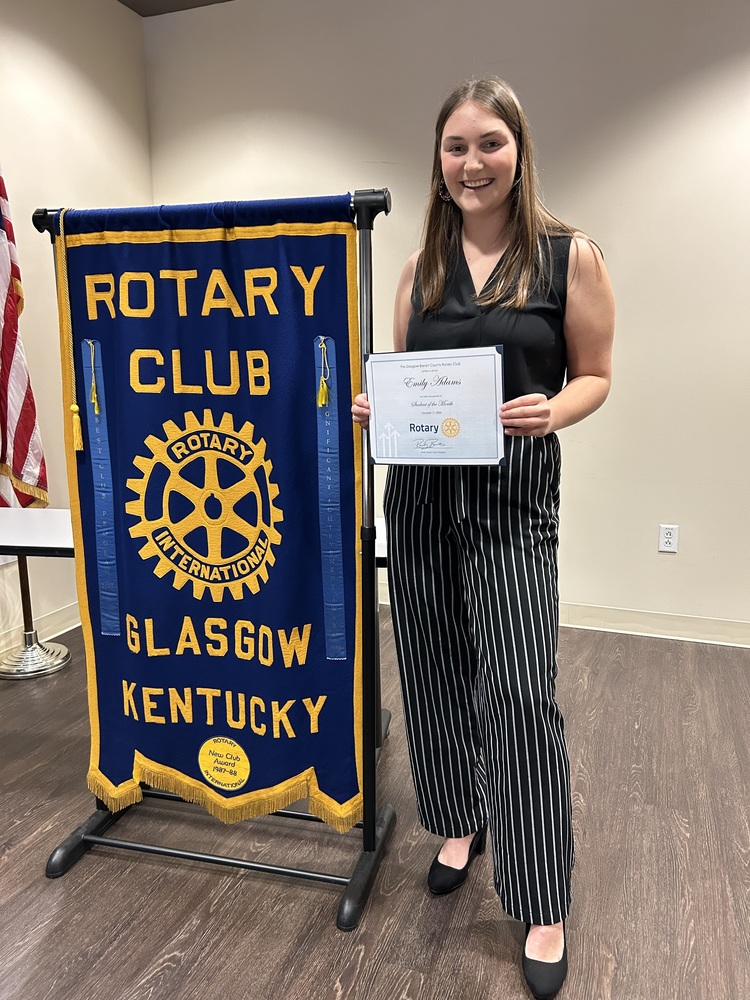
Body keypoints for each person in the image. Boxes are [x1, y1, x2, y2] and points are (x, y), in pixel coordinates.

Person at [352, 77, 614, 999]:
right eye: (456, 146)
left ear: (518, 150)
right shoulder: (417, 270)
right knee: (428, 666)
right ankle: (458, 820)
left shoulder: (566, 256)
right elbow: (401, 383)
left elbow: (598, 374)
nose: (472, 163)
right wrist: (375, 409)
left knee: (517, 689)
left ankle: (541, 895)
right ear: (438, 158)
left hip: (512, 499)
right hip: (418, 500)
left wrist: (553, 411)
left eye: (489, 144)